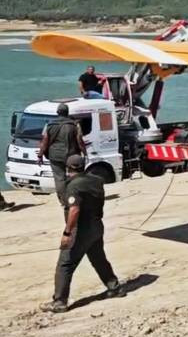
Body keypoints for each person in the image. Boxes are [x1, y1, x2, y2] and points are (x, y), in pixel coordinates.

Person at [40, 155, 124, 313]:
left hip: (81, 230)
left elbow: (74, 209)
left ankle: (59, 302)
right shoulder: (96, 180)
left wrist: (67, 232)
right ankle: (115, 288)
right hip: (97, 226)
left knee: (65, 264)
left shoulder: (73, 186)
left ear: (68, 168)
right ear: (83, 166)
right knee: (99, 259)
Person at [38, 103, 86, 210]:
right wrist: (84, 152)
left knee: (59, 178)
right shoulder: (74, 125)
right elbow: (79, 140)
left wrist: (40, 155)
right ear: (67, 113)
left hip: (55, 156)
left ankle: (64, 201)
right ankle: (76, 197)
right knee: (75, 176)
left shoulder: (49, 125)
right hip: (72, 155)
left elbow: (44, 141)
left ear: (57, 113)